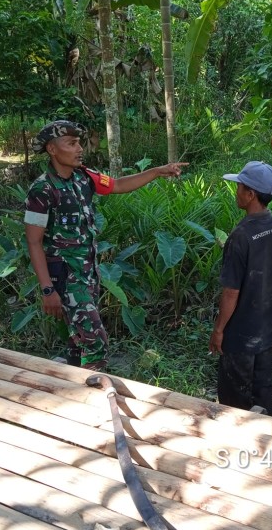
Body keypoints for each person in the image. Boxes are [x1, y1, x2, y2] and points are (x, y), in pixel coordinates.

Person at [24, 120, 188, 370]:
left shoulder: (84, 178)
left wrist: (156, 171)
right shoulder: (42, 189)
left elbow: (118, 185)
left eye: (79, 142)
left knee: (78, 338)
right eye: (71, 143)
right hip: (66, 277)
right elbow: (34, 242)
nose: (79, 148)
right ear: (52, 150)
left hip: (89, 273)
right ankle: (92, 394)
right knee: (95, 342)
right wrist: (48, 290)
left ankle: (72, 384)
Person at [209, 161, 272, 415]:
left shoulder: (240, 236)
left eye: (239, 187)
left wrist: (219, 330)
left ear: (251, 194)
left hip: (242, 334)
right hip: (270, 326)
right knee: (263, 389)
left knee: (235, 400)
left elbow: (231, 291)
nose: (236, 192)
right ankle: (267, 441)